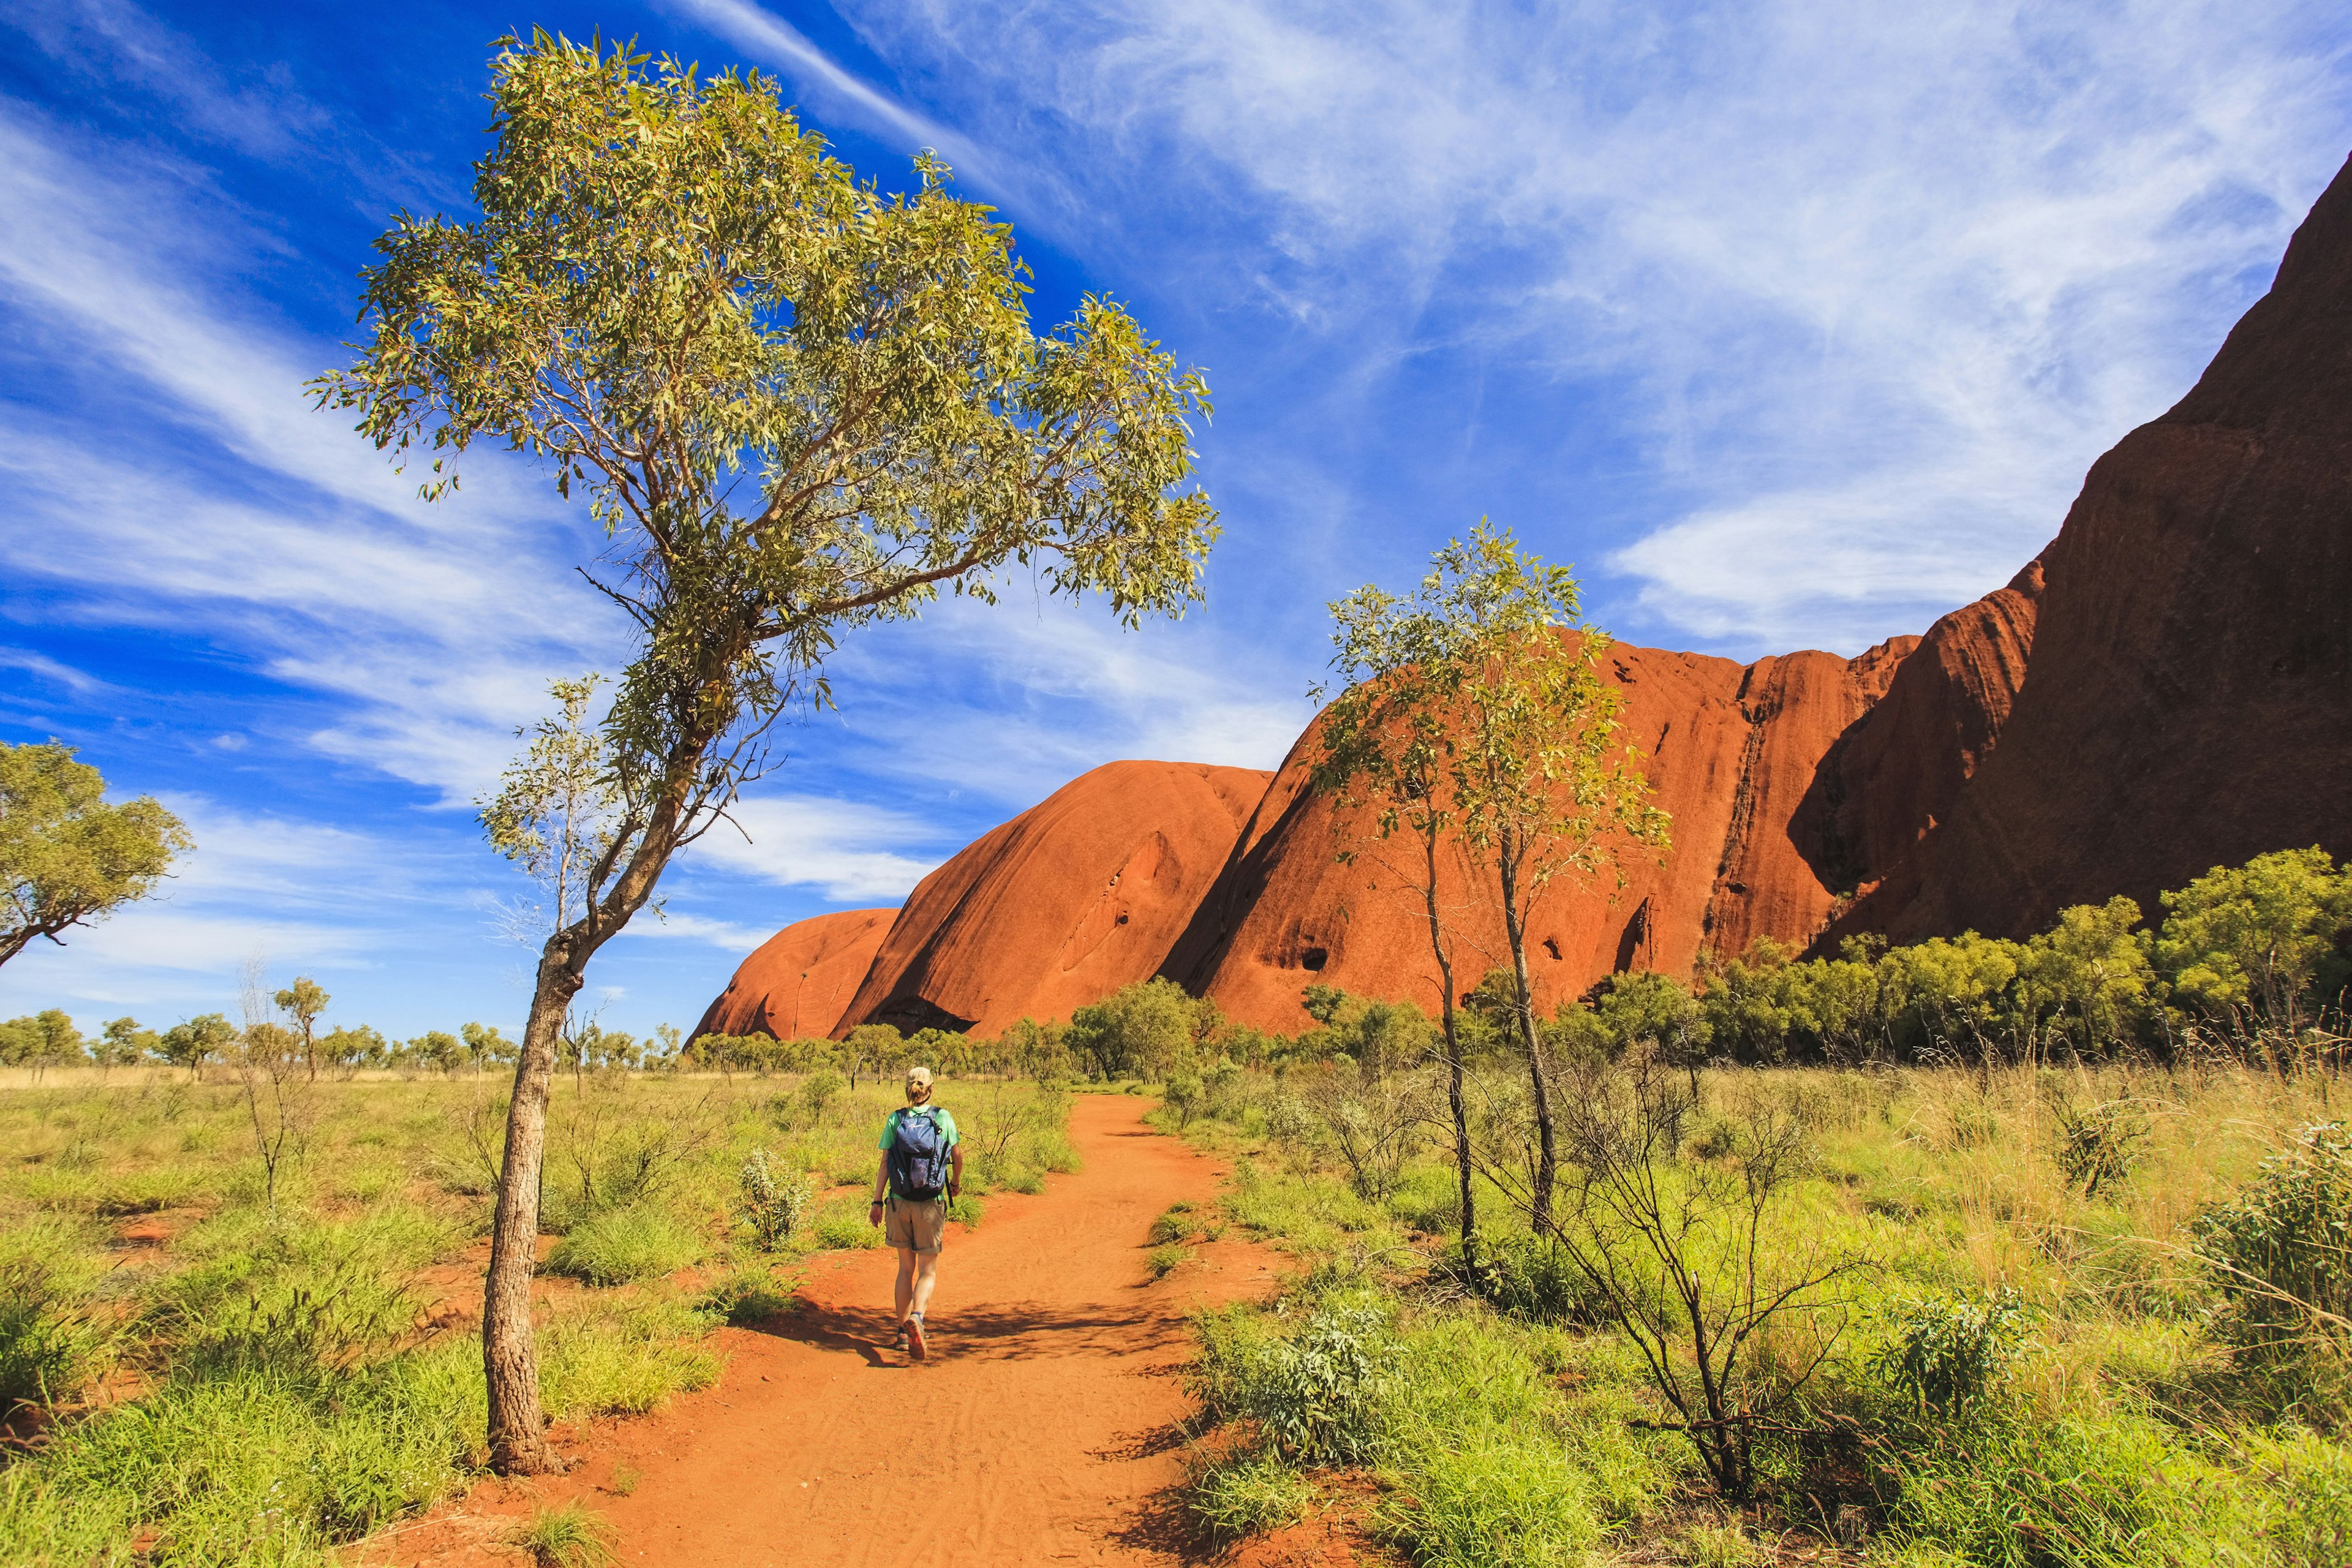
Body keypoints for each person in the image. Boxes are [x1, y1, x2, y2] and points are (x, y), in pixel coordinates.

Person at [868, 1065, 963, 1359]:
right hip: (930, 1204)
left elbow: (885, 1164)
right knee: (927, 1271)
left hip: (898, 1202)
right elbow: (957, 1157)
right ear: (931, 1088)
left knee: (905, 1270)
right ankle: (918, 1318)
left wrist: (876, 1203)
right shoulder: (942, 1117)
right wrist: (956, 1184)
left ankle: (901, 1335)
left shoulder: (895, 1119)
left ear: (908, 1089)